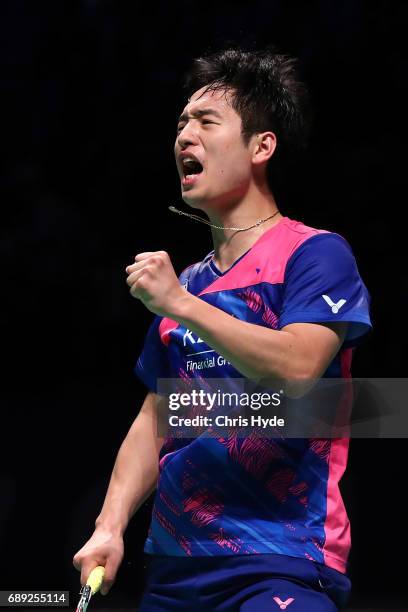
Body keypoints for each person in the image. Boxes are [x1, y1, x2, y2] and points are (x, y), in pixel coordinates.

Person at [73, 47, 372, 611]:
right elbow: (157, 416)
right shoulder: (186, 284)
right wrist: (109, 525)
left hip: (281, 559)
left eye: (207, 122)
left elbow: (300, 367)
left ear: (262, 146)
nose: (185, 135)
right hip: (175, 566)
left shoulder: (314, 254)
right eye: (182, 123)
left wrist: (181, 305)